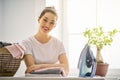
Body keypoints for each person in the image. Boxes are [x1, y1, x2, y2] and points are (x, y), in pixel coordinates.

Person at [20, 7, 69, 76]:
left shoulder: (58, 44)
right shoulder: (27, 43)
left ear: (54, 26)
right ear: (39, 19)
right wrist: (57, 66)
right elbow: (31, 68)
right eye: (45, 20)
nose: (47, 25)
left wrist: (37, 66)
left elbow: (66, 68)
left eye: (52, 23)